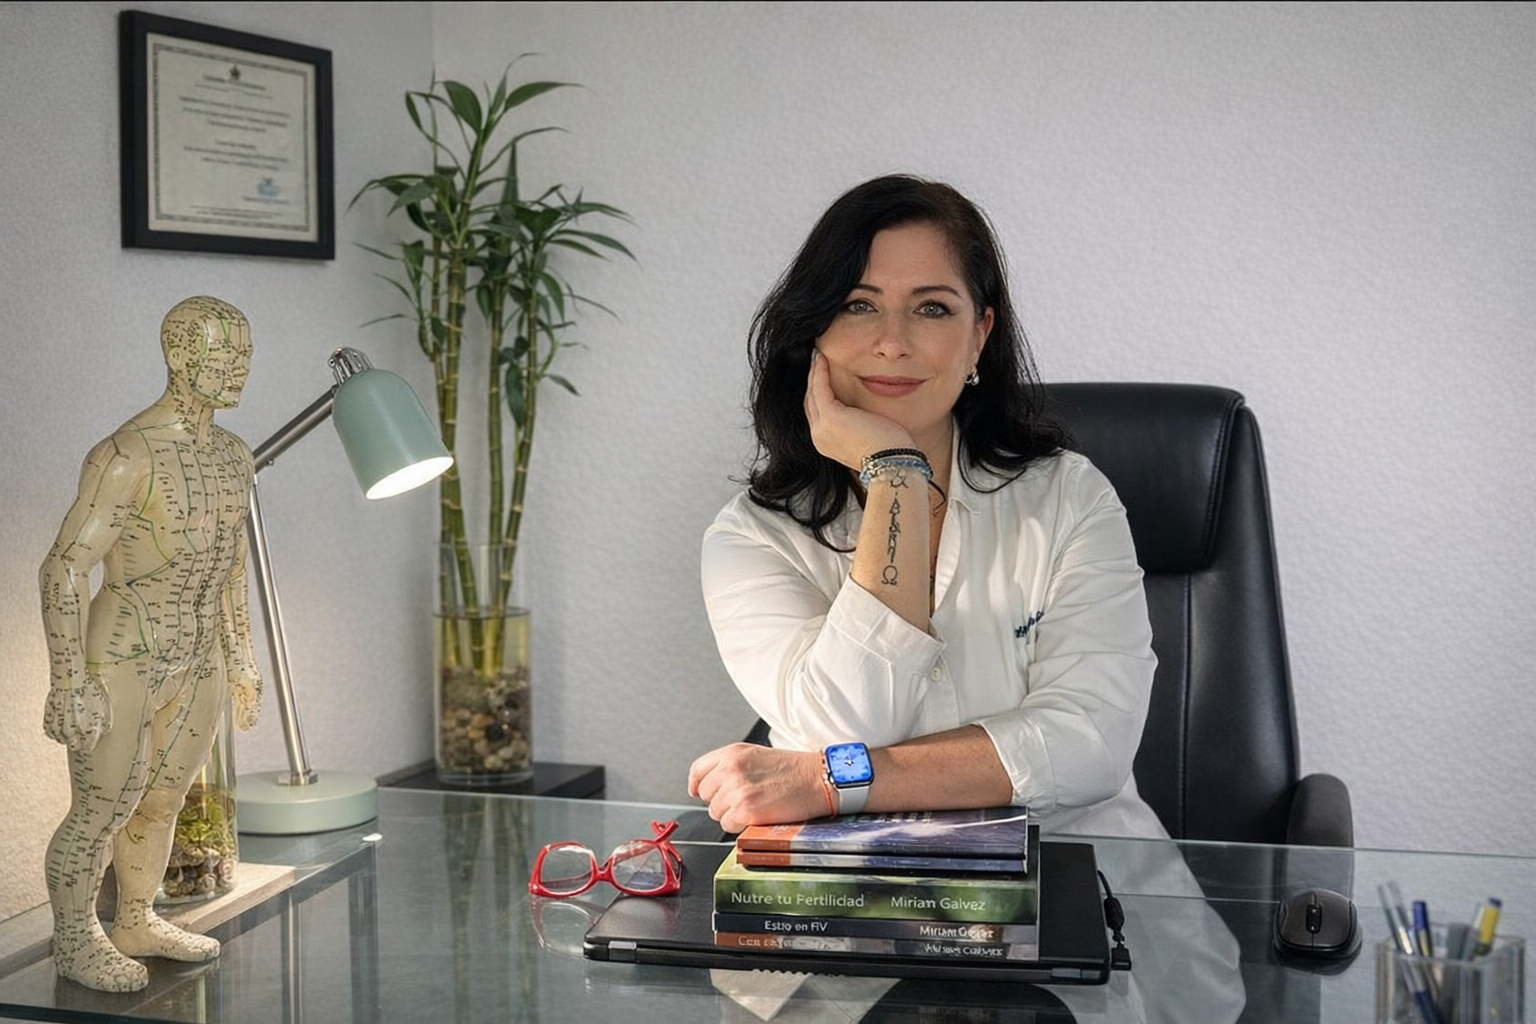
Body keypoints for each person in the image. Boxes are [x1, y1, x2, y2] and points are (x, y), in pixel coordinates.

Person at [687, 176, 1168, 842]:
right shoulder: (752, 538)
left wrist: (825, 781)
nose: (893, 342)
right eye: (858, 305)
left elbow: (1091, 744)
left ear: (979, 336)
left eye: (932, 308)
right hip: (857, 895)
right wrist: (897, 476)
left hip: (1086, 875)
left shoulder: (1069, 498)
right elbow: (848, 726)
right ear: (814, 332)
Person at [39, 295, 264, 992]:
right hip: (125, 650)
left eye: (244, 355)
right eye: (221, 354)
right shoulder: (124, 455)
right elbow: (64, 566)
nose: (237, 368)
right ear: (177, 355)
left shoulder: (235, 456)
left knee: (165, 797)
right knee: (102, 808)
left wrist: (242, 657)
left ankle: (137, 918)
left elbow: (232, 565)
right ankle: (75, 941)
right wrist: (68, 680)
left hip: (199, 652)